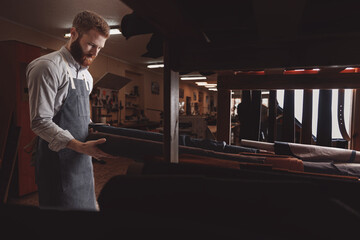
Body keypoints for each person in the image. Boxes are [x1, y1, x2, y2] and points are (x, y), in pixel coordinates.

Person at [26, 10, 116, 211]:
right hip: (56, 163)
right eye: (91, 44)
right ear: (73, 33)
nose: (94, 53)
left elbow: (82, 118)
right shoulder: (47, 67)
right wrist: (79, 146)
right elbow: (40, 122)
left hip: (82, 161)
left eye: (99, 48)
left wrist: (101, 131)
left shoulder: (87, 77)